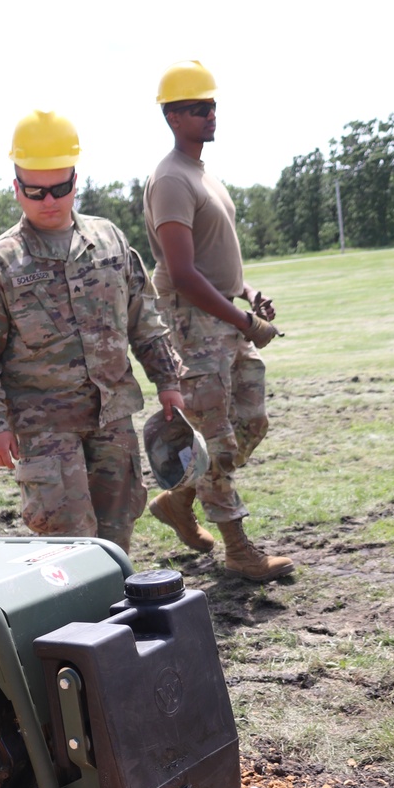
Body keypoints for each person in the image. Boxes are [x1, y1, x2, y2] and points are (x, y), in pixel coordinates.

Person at [0, 110, 184, 557]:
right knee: (70, 539)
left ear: (76, 181)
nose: (49, 200)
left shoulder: (110, 242)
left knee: (117, 533)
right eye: (35, 191)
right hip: (45, 430)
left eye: (60, 188)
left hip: (113, 416)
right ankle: (80, 621)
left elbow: (144, 319)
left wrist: (168, 381)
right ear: (16, 188)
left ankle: (115, 616)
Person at [143, 60, 294, 581]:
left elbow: (214, 262)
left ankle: (178, 500)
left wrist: (249, 295)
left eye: (211, 105)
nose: (210, 115)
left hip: (226, 319)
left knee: (253, 422)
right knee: (215, 441)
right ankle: (239, 550)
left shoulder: (202, 174)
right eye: (197, 108)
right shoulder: (169, 180)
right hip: (196, 327)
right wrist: (245, 321)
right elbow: (182, 274)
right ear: (172, 118)